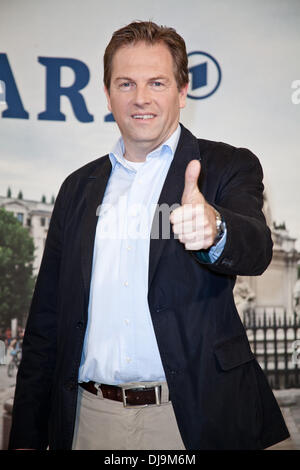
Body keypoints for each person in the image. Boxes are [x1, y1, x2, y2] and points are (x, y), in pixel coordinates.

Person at [9, 20, 289, 450]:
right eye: (126, 83)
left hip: (192, 417)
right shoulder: (76, 188)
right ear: (107, 94)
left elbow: (255, 247)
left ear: (182, 91)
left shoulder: (226, 166)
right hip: (89, 421)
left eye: (157, 82)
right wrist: (26, 436)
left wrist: (215, 231)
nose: (141, 98)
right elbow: (46, 318)